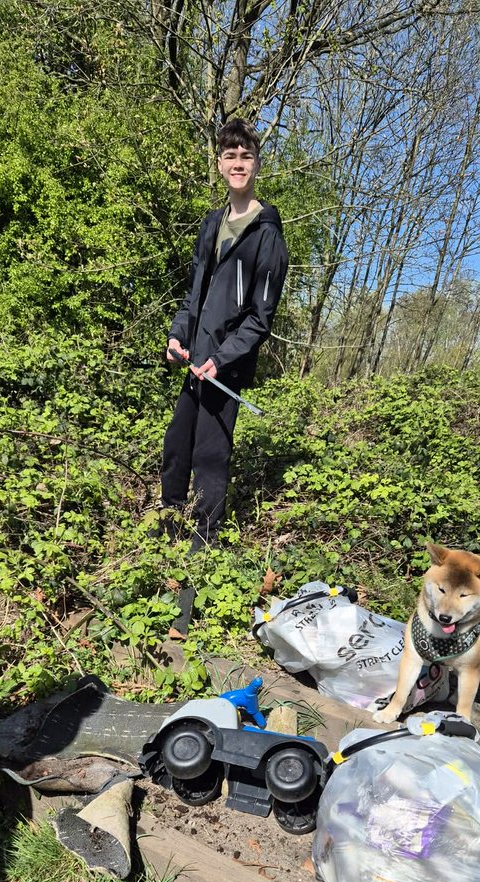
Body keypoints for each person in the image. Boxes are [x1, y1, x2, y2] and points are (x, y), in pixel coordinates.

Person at [161, 118, 288, 634]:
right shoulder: (212, 224)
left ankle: (187, 597)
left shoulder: (268, 236)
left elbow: (261, 317)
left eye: (246, 156)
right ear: (220, 164)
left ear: (256, 165)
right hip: (194, 363)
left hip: (223, 373)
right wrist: (178, 335)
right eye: (229, 155)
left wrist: (226, 358)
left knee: (210, 467)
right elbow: (195, 294)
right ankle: (164, 552)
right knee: (176, 452)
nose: (237, 163)